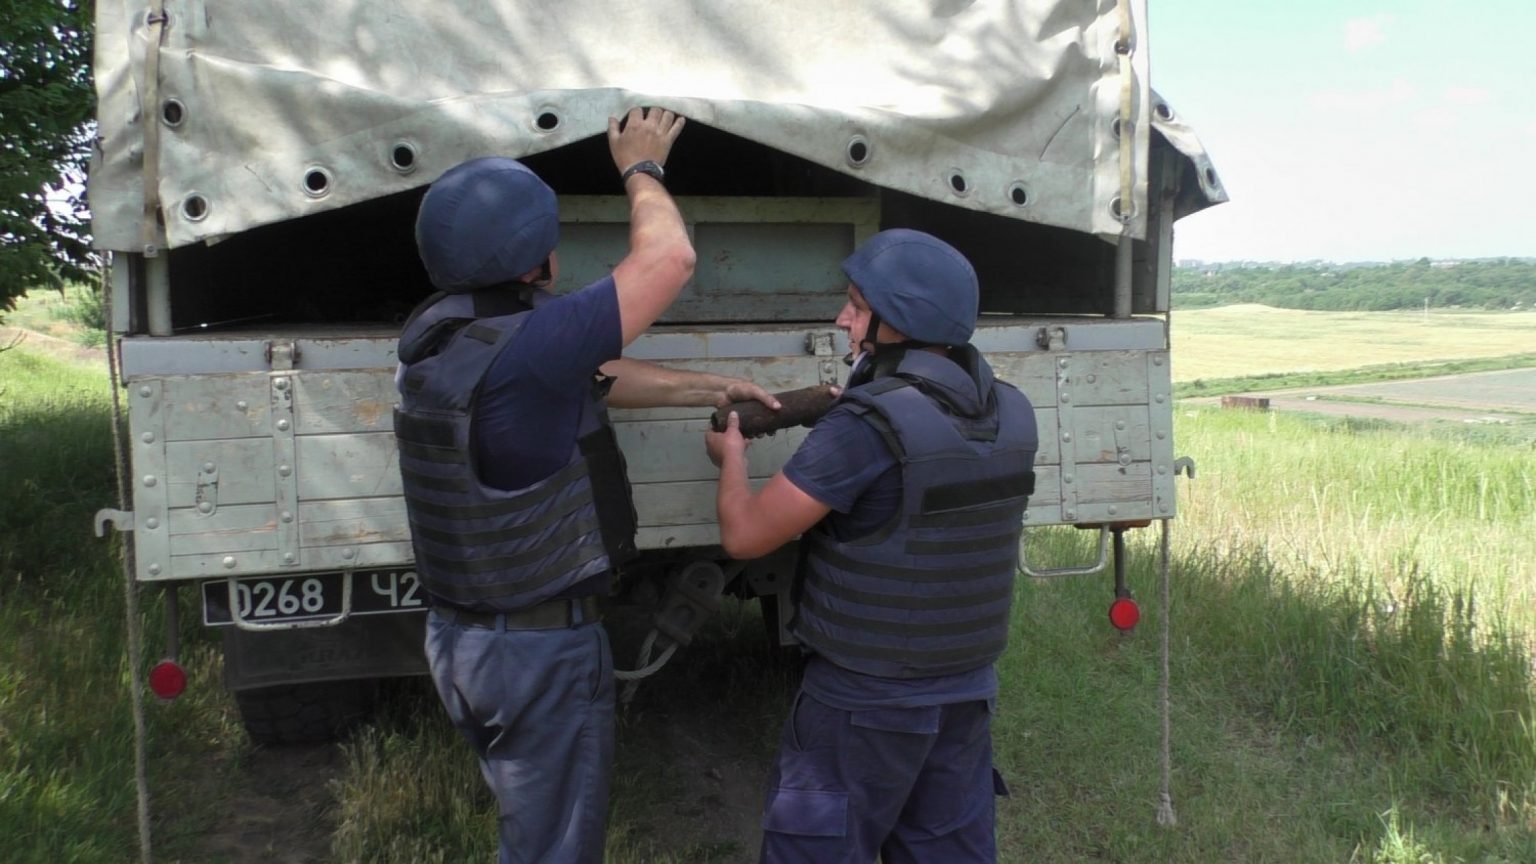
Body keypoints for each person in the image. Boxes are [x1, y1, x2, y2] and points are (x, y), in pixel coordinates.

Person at [394, 107, 780, 864]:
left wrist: (707, 386)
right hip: (538, 650)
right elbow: (669, 261)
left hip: (467, 642)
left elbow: (590, 374)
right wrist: (642, 165)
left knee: (531, 833)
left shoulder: (443, 342)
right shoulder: (534, 346)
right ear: (537, 261)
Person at [705, 229, 1039, 863]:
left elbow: (745, 536)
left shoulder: (865, 427)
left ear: (898, 322)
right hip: (966, 692)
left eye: (857, 305)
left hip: (863, 701)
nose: (843, 318)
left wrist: (730, 457)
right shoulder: (1014, 412)